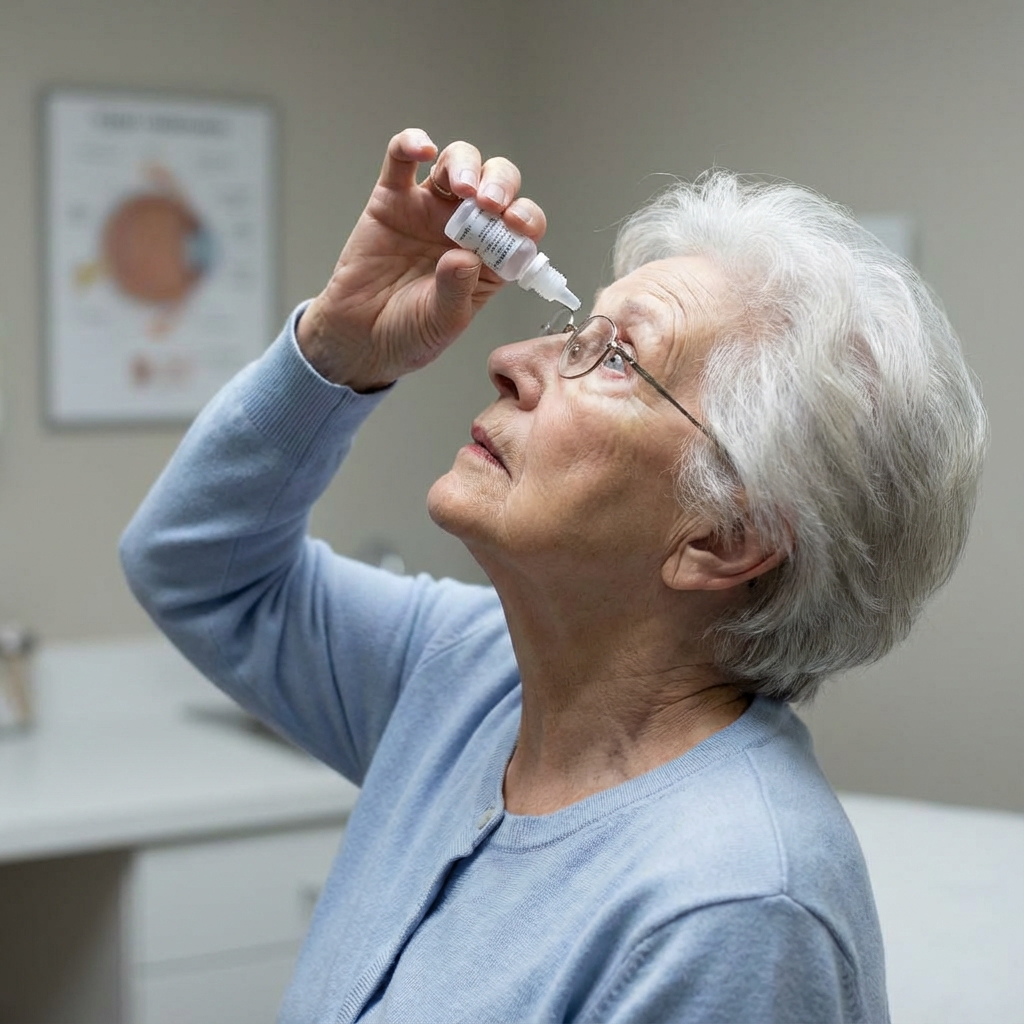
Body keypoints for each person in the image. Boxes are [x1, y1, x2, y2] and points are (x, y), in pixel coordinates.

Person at [121, 128, 986, 1023]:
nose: (510, 360)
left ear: (725, 538)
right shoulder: (465, 675)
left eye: (616, 357)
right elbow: (197, 570)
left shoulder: (731, 909)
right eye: (578, 328)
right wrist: (340, 349)